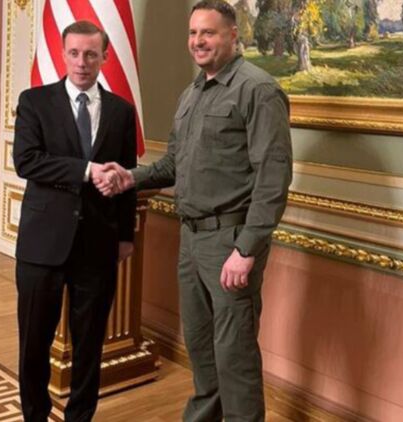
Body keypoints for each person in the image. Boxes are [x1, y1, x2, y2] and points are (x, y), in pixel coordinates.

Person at [109, 1, 292, 420]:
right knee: (201, 346)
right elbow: (174, 164)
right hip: (191, 239)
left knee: (234, 352)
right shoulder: (191, 94)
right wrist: (129, 178)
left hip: (231, 241)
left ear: (232, 35)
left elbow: (273, 178)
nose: (198, 41)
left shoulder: (258, 90)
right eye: (193, 33)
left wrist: (246, 249)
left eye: (208, 32)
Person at [12, 20, 136, 421]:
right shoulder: (34, 101)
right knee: (34, 344)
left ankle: (80, 417)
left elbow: (127, 180)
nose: (82, 62)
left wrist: (126, 236)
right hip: (42, 244)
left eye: (91, 54)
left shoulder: (121, 111)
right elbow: (26, 161)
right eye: (75, 53)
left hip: (98, 244)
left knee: (89, 347)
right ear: (63, 54)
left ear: (105, 57)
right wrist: (86, 170)